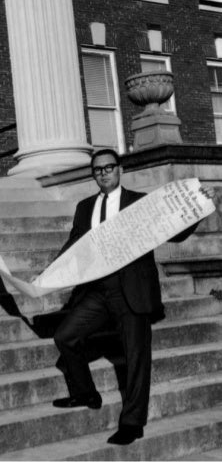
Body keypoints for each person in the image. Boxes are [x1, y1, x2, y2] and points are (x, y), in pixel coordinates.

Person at [51, 148, 216, 445]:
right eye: (98, 170)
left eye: (108, 167)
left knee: (136, 357)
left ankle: (132, 423)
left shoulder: (140, 202)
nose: (103, 173)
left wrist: (200, 207)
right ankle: (86, 393)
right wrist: (50, 274)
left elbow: (174, 231)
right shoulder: (84, 207)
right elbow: (74, 244)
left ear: (120, 169)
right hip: (98, 290)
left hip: (132, 289)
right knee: (65, 336)